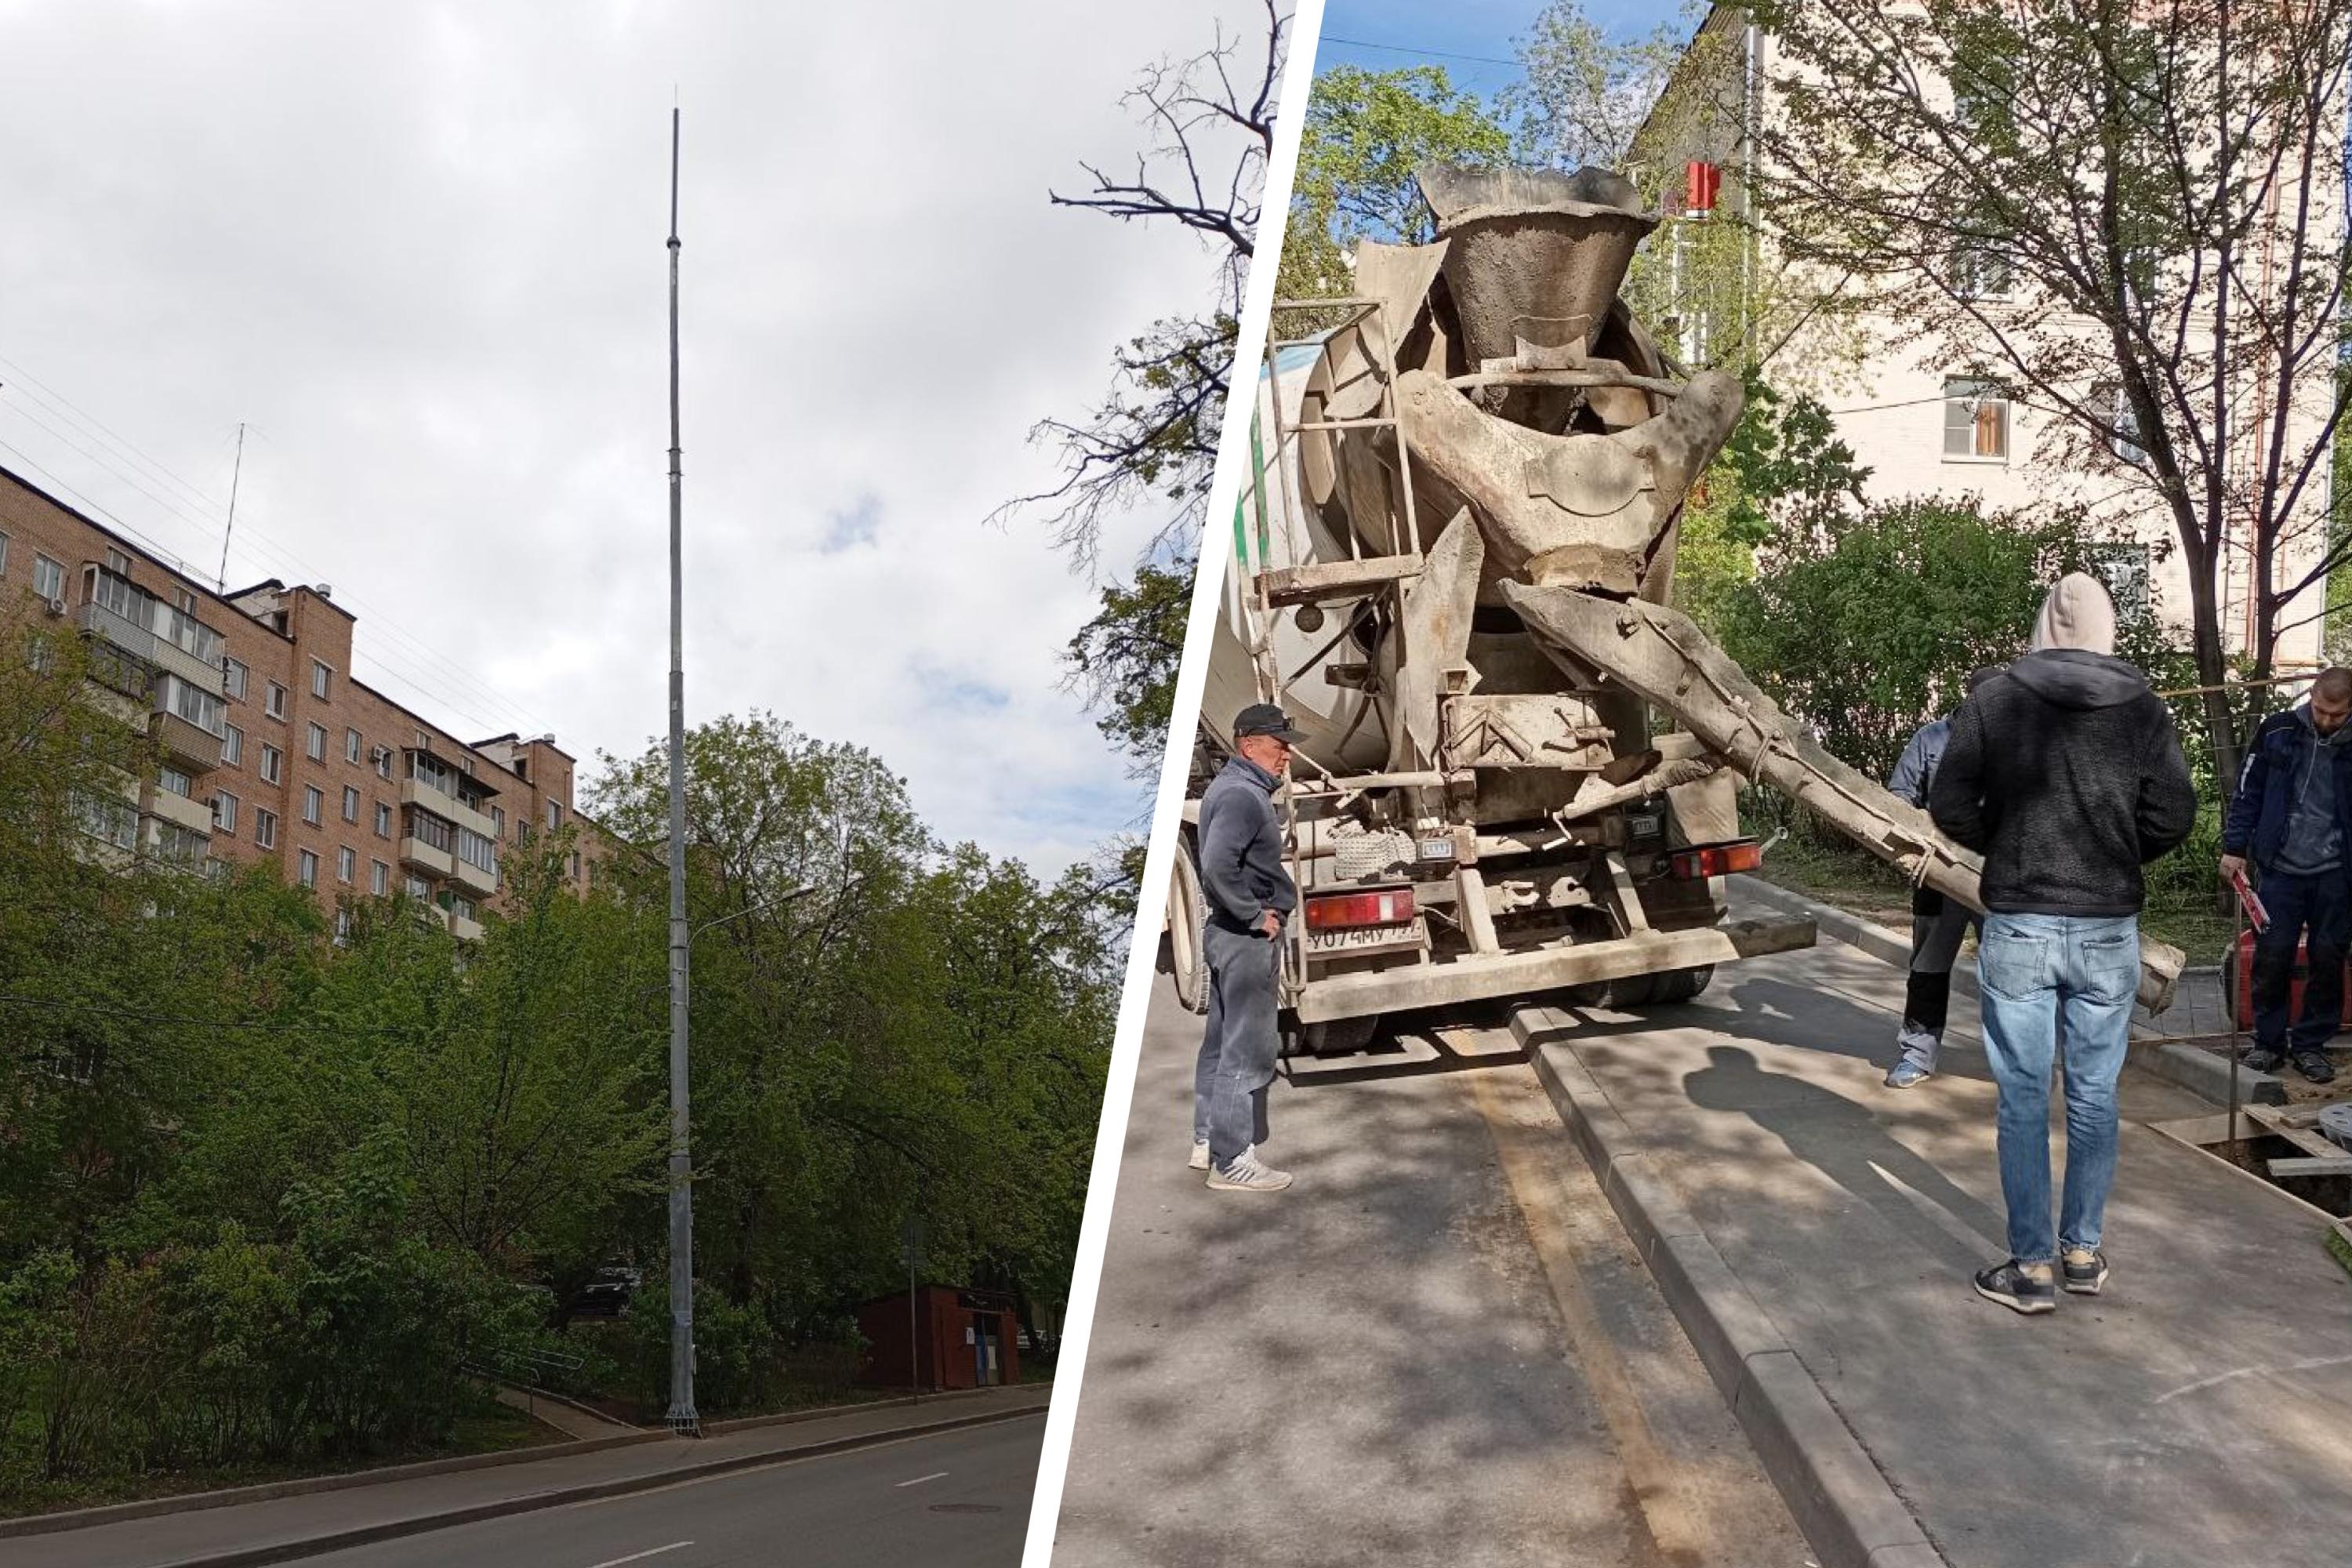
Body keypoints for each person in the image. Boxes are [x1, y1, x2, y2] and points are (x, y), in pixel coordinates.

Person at [1929, 573, 2197, 1315]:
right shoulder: (2143, 708)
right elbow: (2175, 813)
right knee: (2093, 1094)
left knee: (2021, 1099)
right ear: (2109, 627)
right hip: (2108, 928)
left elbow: (1948, 801)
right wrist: (2114, 855)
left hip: (2020, 922)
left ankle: (2031, 1268)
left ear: (2043, 623)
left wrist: (2011, 849)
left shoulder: (1995, 698)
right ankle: (2082, 1252)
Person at [1190, 703, 1304, 1192]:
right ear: (1249, 744)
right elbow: (1217, 865)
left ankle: (1206, 1139)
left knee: (1219, 1043)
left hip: (1227, 934)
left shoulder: (1232, 788)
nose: (1287, 754)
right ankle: (1232, 1159)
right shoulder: (1242, 796)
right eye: (1279, 745)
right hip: (1246, 936)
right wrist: (1256, 916)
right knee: (1248, 1050)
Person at [2220, 666, 2352, 1085]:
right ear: (2310, 697)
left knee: (2328, 958)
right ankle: (2268, 1042)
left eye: (2337, 714)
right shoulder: (2277, 731)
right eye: (2320, 710)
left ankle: (2312, 1045)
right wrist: (2235, 847)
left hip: (2337, 871)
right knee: (2272, 955)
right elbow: (2248, 790)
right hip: (2280, 867)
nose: (2326, 720)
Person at [1883, 665, 2005, 1089]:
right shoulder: (1930, 740)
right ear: (1969, 700)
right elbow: (1898, 796)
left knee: (2008, 971)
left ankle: (2013, 1064)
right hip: (1938, 877)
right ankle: (1917, 1053)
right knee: (1929, 966)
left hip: (1997, 880)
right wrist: (1927, 831)